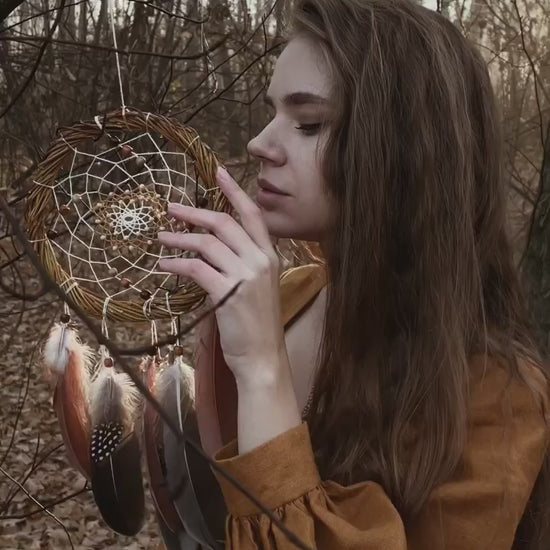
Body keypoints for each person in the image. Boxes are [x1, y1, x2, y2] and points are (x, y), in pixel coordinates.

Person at [157, 0, 550, 548]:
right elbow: (211, 505)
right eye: (273, 112)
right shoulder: (284, 297)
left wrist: (264, 371)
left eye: (309, 123)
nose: (259, 145)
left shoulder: (496, 398)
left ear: (408, 151)